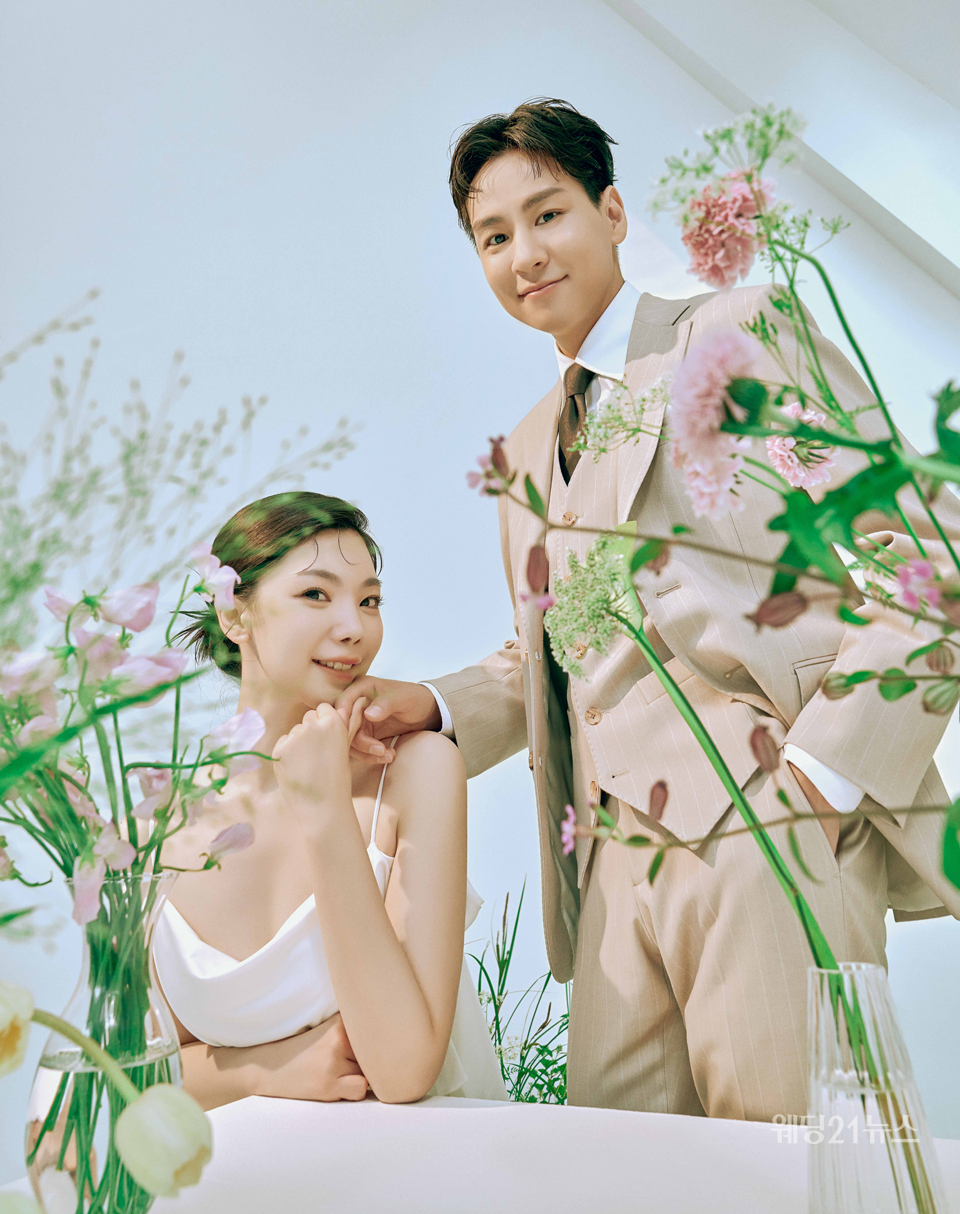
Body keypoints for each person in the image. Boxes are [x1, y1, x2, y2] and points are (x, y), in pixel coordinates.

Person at [337, 98, 960, 1122]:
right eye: (493, 237)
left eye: (548, 215)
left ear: (614, 212)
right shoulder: (528, 446)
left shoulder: (735, 331)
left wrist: (825, 770)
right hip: (608, 870)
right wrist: (436, 707)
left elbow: (930, 554)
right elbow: (562, 651)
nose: (525, 254)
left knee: (798, 1168)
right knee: (619, 1177)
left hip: (765, 821)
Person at [153, 491, 506, 1109]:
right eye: (316, 594)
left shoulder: (417, 770)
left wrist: (326, 813)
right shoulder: (160, 820)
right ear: (234, 614)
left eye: (369, 601)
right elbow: (124, 1081)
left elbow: (402, 1070)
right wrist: (262, 1072)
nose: (354, 628)